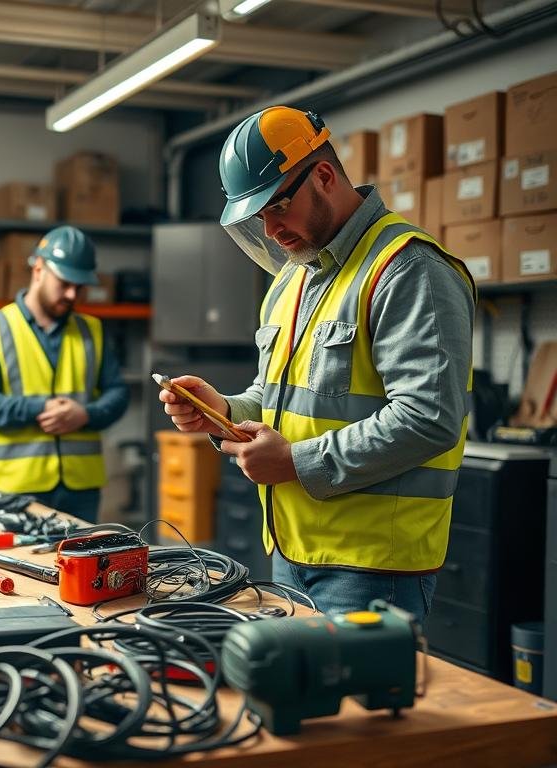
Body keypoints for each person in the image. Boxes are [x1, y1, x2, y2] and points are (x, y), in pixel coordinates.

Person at [159, 106, 476, 619]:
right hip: (291, 553)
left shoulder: (407, 268)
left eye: (278, 206)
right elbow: (279, 398)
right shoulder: (293, 277)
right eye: (258, 217)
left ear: (324, 176)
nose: (271, 229)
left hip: (372, 566)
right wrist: (225, 412)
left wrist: (295, 462)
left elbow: (429, 417)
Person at [0, 225, 129, 523]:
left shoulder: (92, 331)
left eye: (79, 287)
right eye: (64, 283)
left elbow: (118, 393)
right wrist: (43, 407)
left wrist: (85, 415)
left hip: (81, 490)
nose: (72, 294)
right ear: (38, 269)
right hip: (16, 490)